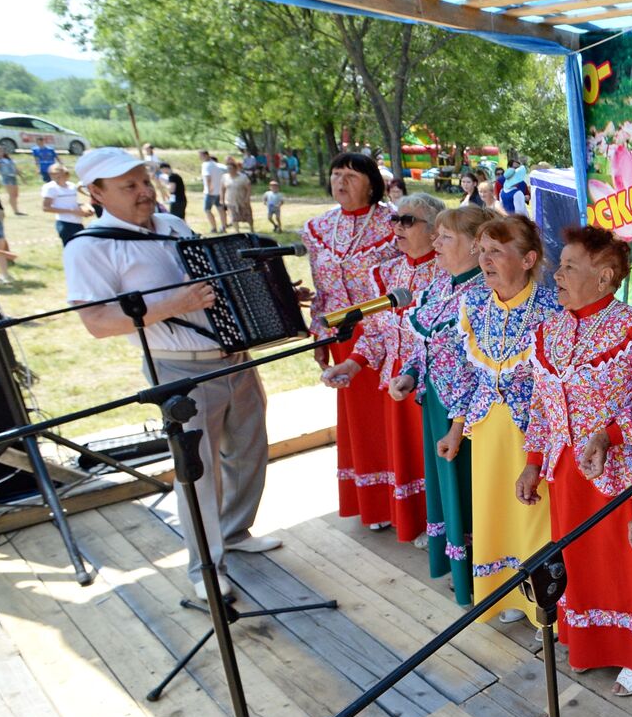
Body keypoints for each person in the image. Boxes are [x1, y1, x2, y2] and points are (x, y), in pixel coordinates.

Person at [61, 148, 281, 601]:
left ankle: (235, 531)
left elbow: (215, 282)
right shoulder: (88, 247)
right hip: (177, 366)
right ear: (96, 193)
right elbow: (97, 323)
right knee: (198, 471)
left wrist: (271, 294)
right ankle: (206, 567)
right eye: (129, 186)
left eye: (145, 181)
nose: (144, 192)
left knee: (248, 449)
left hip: (232, 355)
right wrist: (173, 305)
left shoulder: (173, 225)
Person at [518, 225, 632, 695]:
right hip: (567, 475)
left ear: (604, 277)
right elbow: (541, 406)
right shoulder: (549, 330)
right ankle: (587, 643)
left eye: (569, 267)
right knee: (578, 564)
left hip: (621, 475)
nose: (557, 274)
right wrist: (533, 461)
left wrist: (609, 435)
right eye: (559, 265)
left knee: (623, 566)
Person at [320, 193, 444, 543]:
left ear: (435, 230)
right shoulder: (386, 272)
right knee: (407, 458)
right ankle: (415, 522)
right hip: (395, 383)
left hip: (435, 386)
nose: (398, 227)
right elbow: (376, 333)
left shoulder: (449, 271)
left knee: (433, 461)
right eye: (395, 219)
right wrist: (351, 365)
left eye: (408, 221)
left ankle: (441, 528)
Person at [390, 205, 496, 600]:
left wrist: (460, 423)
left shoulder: (486, 295)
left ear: (474, 246)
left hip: (470, 415)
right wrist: (409, 374)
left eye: (446, 237)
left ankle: (486, 576)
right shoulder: (437, 288)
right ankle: (463, 571)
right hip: (436, 405)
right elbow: (425, 347)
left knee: (472, 492)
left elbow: (485, 368)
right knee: (450, 491)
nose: (435, 243)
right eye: (435, 235)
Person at [301, 152, 399, 531]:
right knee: (361, 423)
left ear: (372, 184)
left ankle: (405, 504)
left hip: (390, 337)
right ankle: (374, 504)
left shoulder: (394, 224)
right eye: (336, 174)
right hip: (343, 338)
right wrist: (319, 335)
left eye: (351, 176)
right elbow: (321, 290)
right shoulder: (318, 229)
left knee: (393, 419)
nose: (340, 181)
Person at [41, 163, 91, 245]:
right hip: (64, 223)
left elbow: (73, 203)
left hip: (78, 222)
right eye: (54, 176)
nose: (56, 178)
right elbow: (46, 208)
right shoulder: (50, 187)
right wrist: (72, 211)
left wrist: (85, 208)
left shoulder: (72, 186)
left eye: (59, 175)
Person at [222, 158, 254, 234]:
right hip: (231, 200)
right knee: (233, 217)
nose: (229, 170)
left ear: (235, 169)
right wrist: (222, 199)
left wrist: (247, 198)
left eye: (231, 168)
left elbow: (248, 188)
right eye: (228, 169)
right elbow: (222, 189)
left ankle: (252, 229)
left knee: (248, 216)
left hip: (242, 199)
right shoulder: (225, 177)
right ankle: (237, 232)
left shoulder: (243, 177)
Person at [199, 151, 227, 233]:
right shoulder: (216, 164)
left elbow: (208, 178)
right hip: (219, 191)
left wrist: (209, 189)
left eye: (200, 156)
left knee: (207, 210)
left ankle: (214, 228)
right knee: (221, 209)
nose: (200, 158)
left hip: (210, 192)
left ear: (205, 155)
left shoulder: (205, 165)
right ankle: (223, 227)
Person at [0, 147, 23, 215]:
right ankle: (15, 211)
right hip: (6, 177)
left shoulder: (8, 158)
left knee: (16, 194)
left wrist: (21, 176)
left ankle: (16, 209)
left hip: (13, 176)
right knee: (11, 194)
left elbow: (14, 167)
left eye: (0, 150)